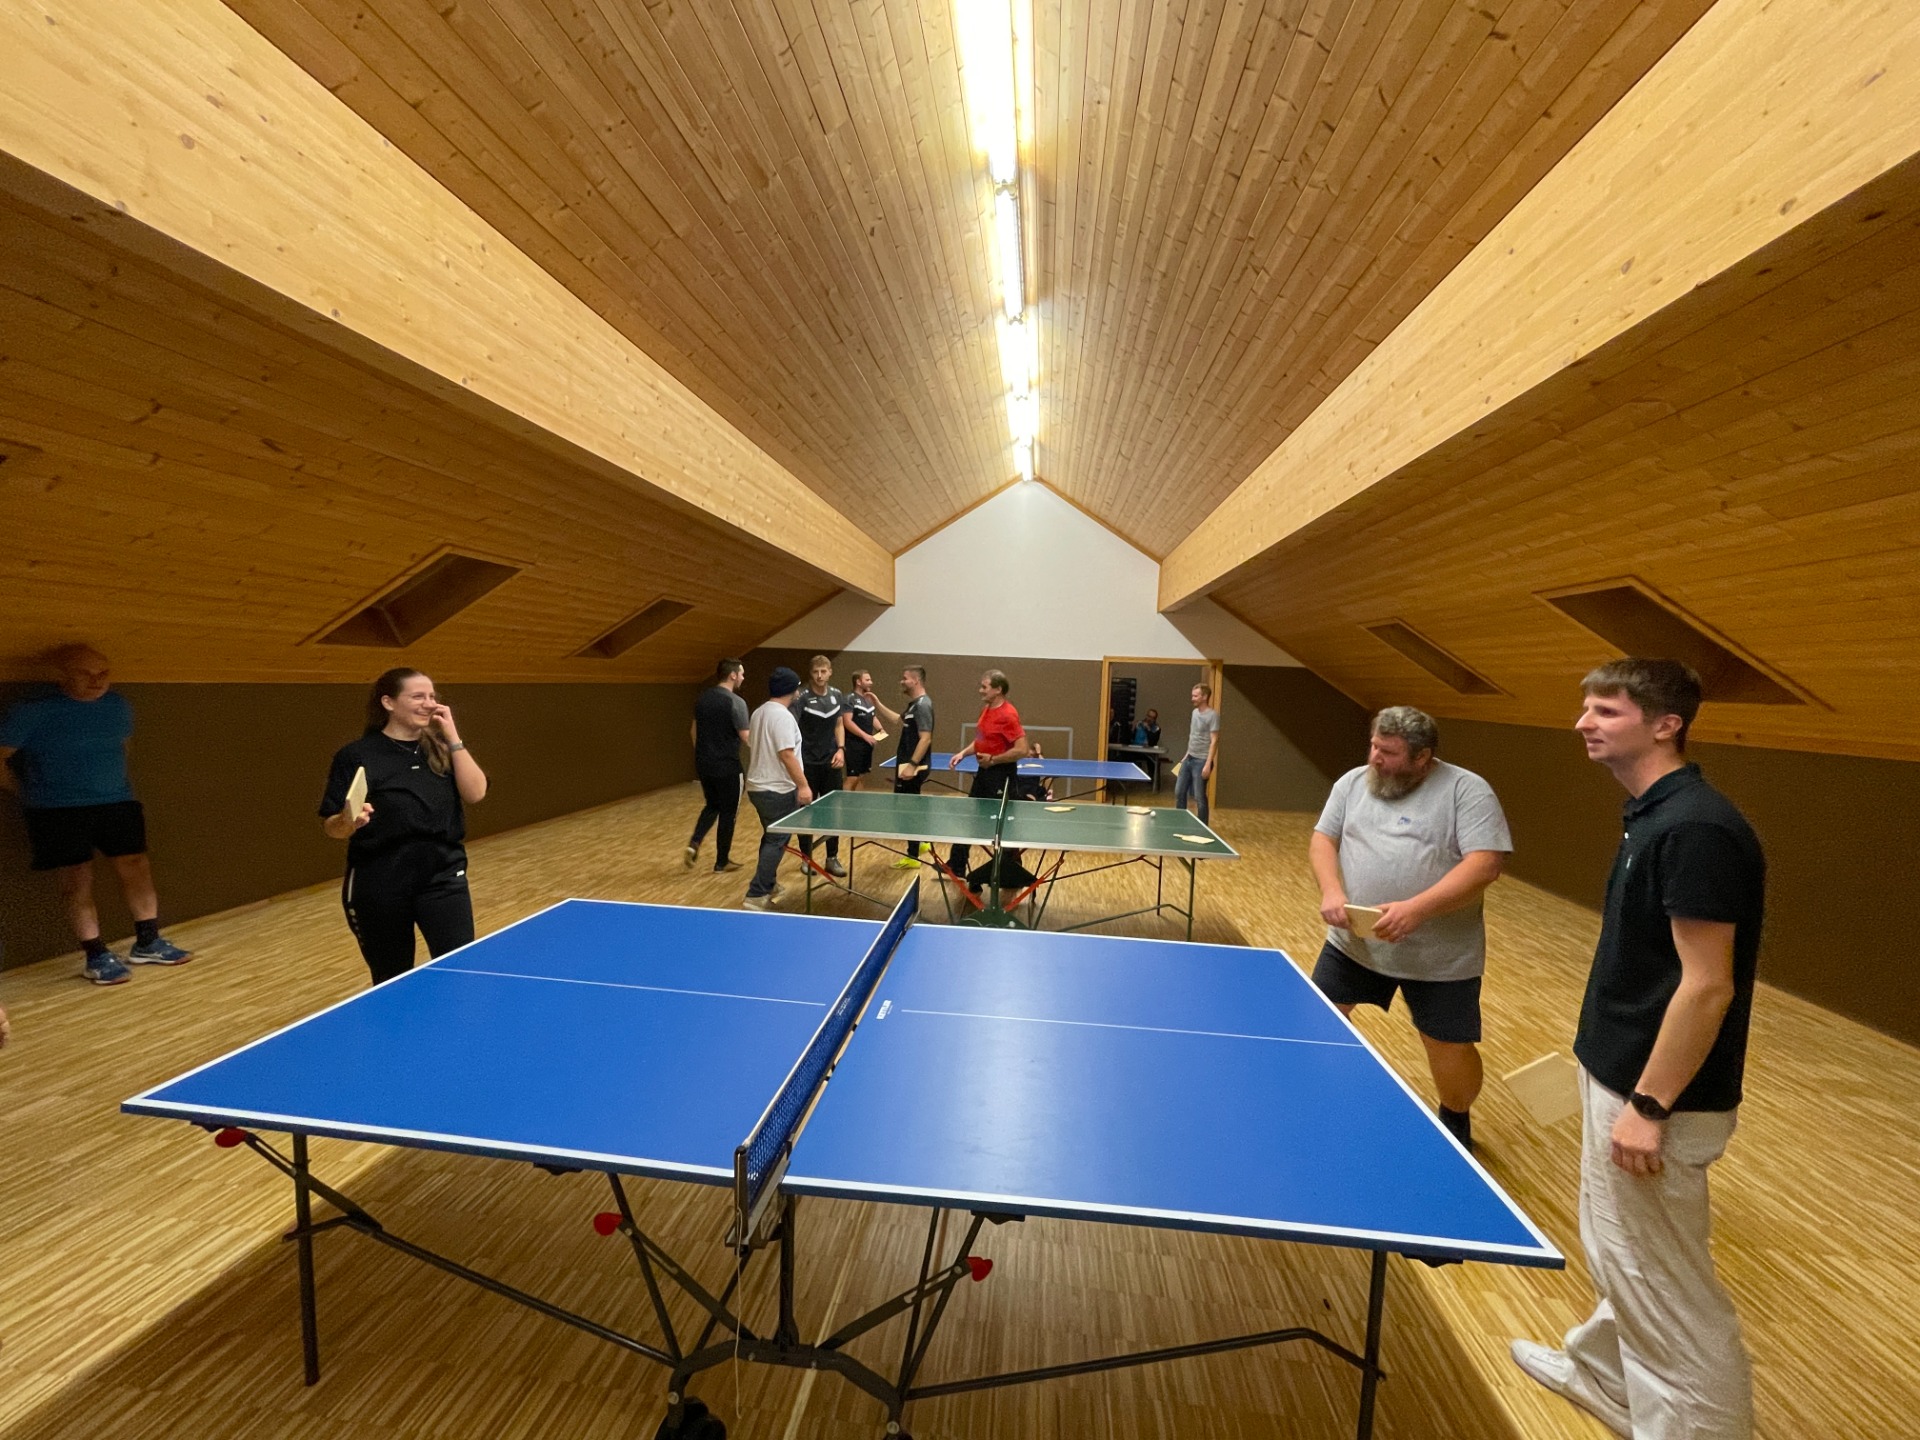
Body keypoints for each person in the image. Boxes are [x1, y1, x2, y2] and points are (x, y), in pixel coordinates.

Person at [1511, 659, 1763, 1440]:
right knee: (1621, 1254)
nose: (1583, 723)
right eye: (1585, 707)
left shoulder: (1695, 829)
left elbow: (1707, 986)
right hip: (1621, 1074)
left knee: (1665, 1285)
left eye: (1606, 711)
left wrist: (1650, 1106)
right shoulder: (1653, 815)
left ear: (1666, 725)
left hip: (1658, 1097)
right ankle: (1603, 1374)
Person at [1308, 707, 1510, 1151]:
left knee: (1447, 1047)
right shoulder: (1352, 783)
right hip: (1354, 942)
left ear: (1422, 757)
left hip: (1440, 955)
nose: (1375, 758)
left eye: (1389, 752)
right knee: (1318, 1019)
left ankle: (1455, 1115)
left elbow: (1485, 864)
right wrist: (1331, 889)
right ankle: (1320, 1104)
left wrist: (1416, 910)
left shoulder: (1466, 791)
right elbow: (1324, 838)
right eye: (1374, 746)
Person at [0, 644, 193, 984]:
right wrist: (27, 793)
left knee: (137, 867)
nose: (96, 680)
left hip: (117, 803)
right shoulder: (32, 711)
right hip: (57, 810)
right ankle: (96, 955)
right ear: (62, 674)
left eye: (103, 673)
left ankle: (148, 942)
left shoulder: (118, 706)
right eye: (85, 673)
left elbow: (122, 747)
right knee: (77, 881)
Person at [320, 668, 488, 985]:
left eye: (432, 696)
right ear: (388, 702)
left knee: (461, 970)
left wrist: (453, 737)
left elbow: (476, 793)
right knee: (392, 979)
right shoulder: (356, 755)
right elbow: (333, 827)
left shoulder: (441, 748)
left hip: (443, 877)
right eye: (417, 696)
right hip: (380, 885)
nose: (429, 703)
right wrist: (347, 821)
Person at [946, 670, 1029, 881]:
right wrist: (963, 754)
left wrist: (994, 759)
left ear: (998, 689)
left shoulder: (1008, 715)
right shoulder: (986, 710)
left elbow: (1022, 750)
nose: (980, 690)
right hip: (984, 772)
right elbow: (981, 740)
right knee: (971, 817)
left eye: (984, 687)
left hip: (1001, 775)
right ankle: (956, 866)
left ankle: (1010, 872)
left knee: (1003, 825)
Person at [742, 667, 812, 910]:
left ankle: (769, 884)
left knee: (771, 836)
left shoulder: (759, 712)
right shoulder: (782, 717)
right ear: (792, 690)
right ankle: (756, 894)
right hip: (776, 790)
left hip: (758, 787)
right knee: (777, 839)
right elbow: (786, 754)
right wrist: (803, 785)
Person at [686, 658, 749, 873]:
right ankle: (722, 862)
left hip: (704, 765)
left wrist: (703, 755)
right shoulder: (736, 702)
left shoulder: (703, 698)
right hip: (729, 767)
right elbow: (746, 736)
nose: (742, 678)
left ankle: (695, 841)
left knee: (712, 805)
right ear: (732, 675)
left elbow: (693, 732)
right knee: (728, 813)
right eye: (741, 674)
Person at [869, 665, 934, 867]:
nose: (902, 681)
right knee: (908, 809)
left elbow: (926, 738)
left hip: (913, 767)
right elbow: (897, 719)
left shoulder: (923, 706)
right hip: (906, 765)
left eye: (905, 678)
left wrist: (912, 765)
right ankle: (919, 843)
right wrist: (877, 703)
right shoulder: (914, 705)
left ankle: (913, 857)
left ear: (916, 681)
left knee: (907, 811)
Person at [792, 655, 849, 879]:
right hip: (807, 763)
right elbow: (792, 727)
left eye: (823, 671)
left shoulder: (837, 695)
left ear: (830, 672)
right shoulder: (802, 698)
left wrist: (841, 749)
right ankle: (806, 858)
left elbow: (839, 724)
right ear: (810, 673)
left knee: (833, 812)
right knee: (806, 812)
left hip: (831, 763)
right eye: (815, 672)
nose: (819, 676)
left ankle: (832, 858)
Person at [1173, 684, 1219, 824]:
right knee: (1179, 792)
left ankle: (1203, 826)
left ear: (1204, 697)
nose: (1192, 698)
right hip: (1189, 758)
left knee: (1199, 796)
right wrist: (1186, 755)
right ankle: (1180, 821)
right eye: (1192, 695)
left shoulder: (1213, 715)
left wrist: (1208, 764)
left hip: (1202, 761)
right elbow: (1193, 736)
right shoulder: (1194, 713)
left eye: (1195, 696)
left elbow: (1214, 740)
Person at [842, 671, 882, 793]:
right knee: (852, 778)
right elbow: (847, 721)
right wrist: (865, 736)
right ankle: (843, 801)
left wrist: (881, 729)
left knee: (861, 777)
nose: (871, 682)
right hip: (853, 744)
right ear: (858, 682)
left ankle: (858, 802)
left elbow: (872, 716)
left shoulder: (868, 700)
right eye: (867, 680)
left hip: (866, 745)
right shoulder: (849, 699)